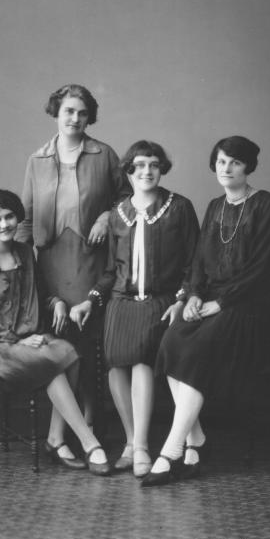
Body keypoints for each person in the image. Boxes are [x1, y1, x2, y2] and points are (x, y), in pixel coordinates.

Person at [142, 136, 270, 487]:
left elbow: (263, 267)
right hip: (210, 300)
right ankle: (195, 440)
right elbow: (199, 263)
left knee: (195, 349)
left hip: (249, 303)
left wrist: (221, 303)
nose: (227, 168)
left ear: (248, 166)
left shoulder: (265, 204)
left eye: (235, 162)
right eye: (221, 161)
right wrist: (191, 296)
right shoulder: (215, 206)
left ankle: (171, 450)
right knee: (171, 340)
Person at [70, 141, 200, 478]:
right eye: (139, 165)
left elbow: (194, 263)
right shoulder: (118, 213)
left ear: (162, 169)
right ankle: (130, 442)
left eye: (154, 165)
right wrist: (91, 300)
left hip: (160, 302)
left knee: (142, 359)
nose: (147, 171)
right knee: (116, 365)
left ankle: (141, 446)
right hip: (120, 301)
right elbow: (113, 271)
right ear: (128, 171)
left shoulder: (180, 207)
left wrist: (181, 299)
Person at [0, 189, 111, 476]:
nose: (4, 224)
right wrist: (17, 339)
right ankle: (89, 443)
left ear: (17, 217)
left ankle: (55, 439)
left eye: (9, 216)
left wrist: (55, 304)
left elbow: (40, 292)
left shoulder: (26, 253)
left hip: (29, 339)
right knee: (52, 365)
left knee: (70, 353)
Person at [15, 84, 130, 440]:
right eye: (69, 111)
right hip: (51, 260)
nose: (75, 119)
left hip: (92, 258)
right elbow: (25, 218)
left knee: (92, 341)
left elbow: (127, 199)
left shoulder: (105, 154)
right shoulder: (37, 159)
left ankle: (92, 421)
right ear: (56, 112)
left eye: (82, 112)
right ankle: (67, 429)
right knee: (61, 341)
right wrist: (20, 266)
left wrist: (104, 219)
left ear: (89, 116)